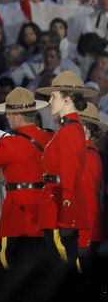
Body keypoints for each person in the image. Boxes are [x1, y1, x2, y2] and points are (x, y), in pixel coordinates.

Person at [36, 71, 97, 268]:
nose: (50, 101)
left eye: (54, 96)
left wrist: (66, 217)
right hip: (56, 204)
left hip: (59, 209)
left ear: (67, 100)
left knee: (63, 266)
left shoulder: (70, 131)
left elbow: (70, 177)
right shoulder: (67, 129)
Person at [0, 87, 53, 274]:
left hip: (18, 215)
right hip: (45, 213)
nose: (6, 118)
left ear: (18, 117)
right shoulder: (49, 138)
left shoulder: (9, 144)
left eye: (8, 114)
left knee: (12, 268)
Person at [77, 102, 105, 275]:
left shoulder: (86, 157)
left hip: (85, 235)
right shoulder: (85, 155)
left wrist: (83, 241)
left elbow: (88, 200)